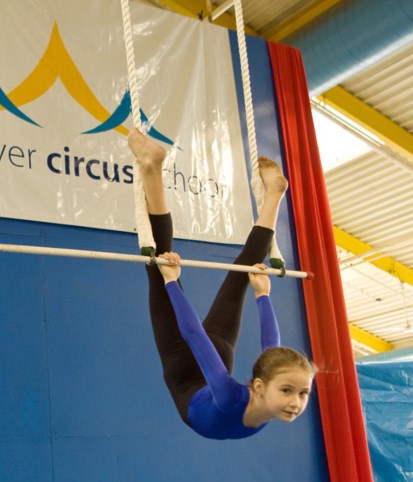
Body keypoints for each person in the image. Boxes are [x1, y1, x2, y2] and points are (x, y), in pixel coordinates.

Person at [128, 129, 315, 440]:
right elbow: (195, 337)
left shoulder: (261, 399)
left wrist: (262, 298)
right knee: (162, 264)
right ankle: (153, 167)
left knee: (239, 274)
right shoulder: (231, 397)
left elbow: (269, 350)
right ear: (259, 385)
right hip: (189, 361)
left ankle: (274, 196)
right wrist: (172, 284)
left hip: (206, 356)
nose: (295, 402)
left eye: (301, 393)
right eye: (290, 390)